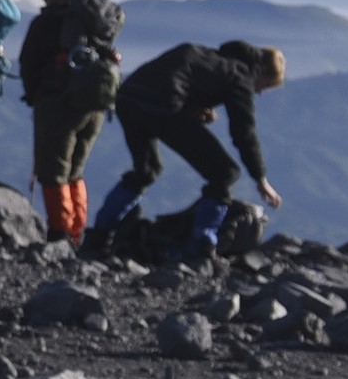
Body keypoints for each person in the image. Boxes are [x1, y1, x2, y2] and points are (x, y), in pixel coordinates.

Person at [87, 41, 287, 255]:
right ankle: (201, 247)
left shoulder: (209, 56)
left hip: (129, 98)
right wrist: (260, 178)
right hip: (162, 105)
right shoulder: (241, 76)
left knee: (146, 170)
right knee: (225, 173)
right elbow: (243, 131)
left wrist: (192, 107)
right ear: (262, 72)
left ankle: (98, 238)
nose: (261, 92)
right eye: (266, 85)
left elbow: (175, 76)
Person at [16, 0, 123, 241]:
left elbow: (29, 62)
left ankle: (60, 231)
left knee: (53, 171)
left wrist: (35, 93)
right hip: (95, 105)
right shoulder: (93, 21)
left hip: (57, 103)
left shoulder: (47, 22)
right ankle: (77, 231)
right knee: (75, 170)